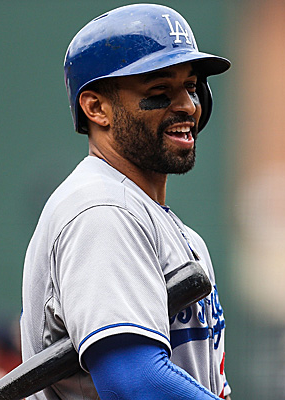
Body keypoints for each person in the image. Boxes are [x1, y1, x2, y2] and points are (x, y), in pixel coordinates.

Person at [20, 4, 231, 399]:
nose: (187, 105)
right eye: (159, 92)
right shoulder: (101, 211)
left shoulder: (169, 228)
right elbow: (134, 382)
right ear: (96, 108)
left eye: (191, 86)